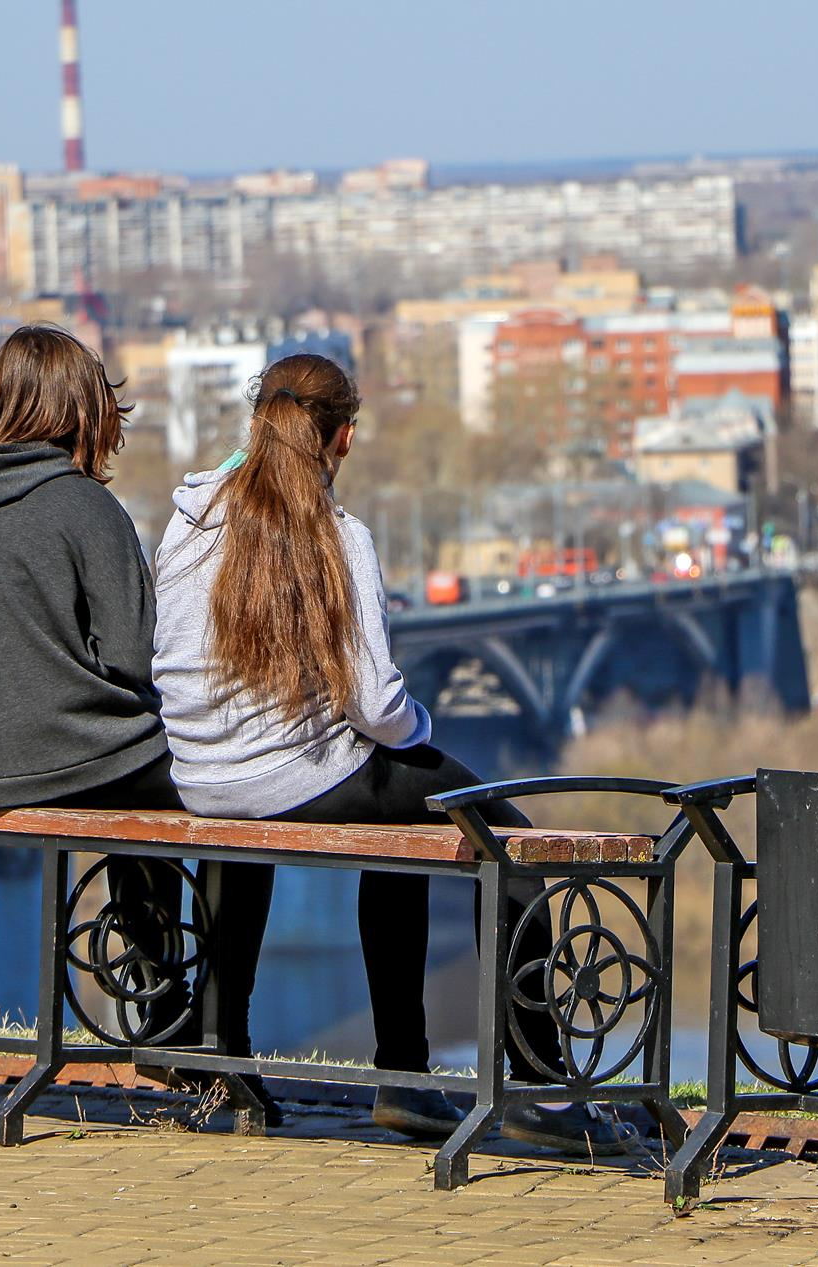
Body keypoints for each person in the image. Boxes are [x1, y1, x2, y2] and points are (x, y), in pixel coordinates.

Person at [152, 353, 638, 1155]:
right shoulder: (339, 538)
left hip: (201, 776)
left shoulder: (189, 522)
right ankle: (533, 1083)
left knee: (400, 827)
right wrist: (422, 732)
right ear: (343, 437)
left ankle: (234, 1050)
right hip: (293, 774)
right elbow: (377, 708)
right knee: (503, 837)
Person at [0, 325, 275, 1116]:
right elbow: (138, 662)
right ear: (80, 413)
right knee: (240, 792)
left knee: (149, 792)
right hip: (66, 761)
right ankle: (213, 1030)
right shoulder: (83, 505)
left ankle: (164, 1003)